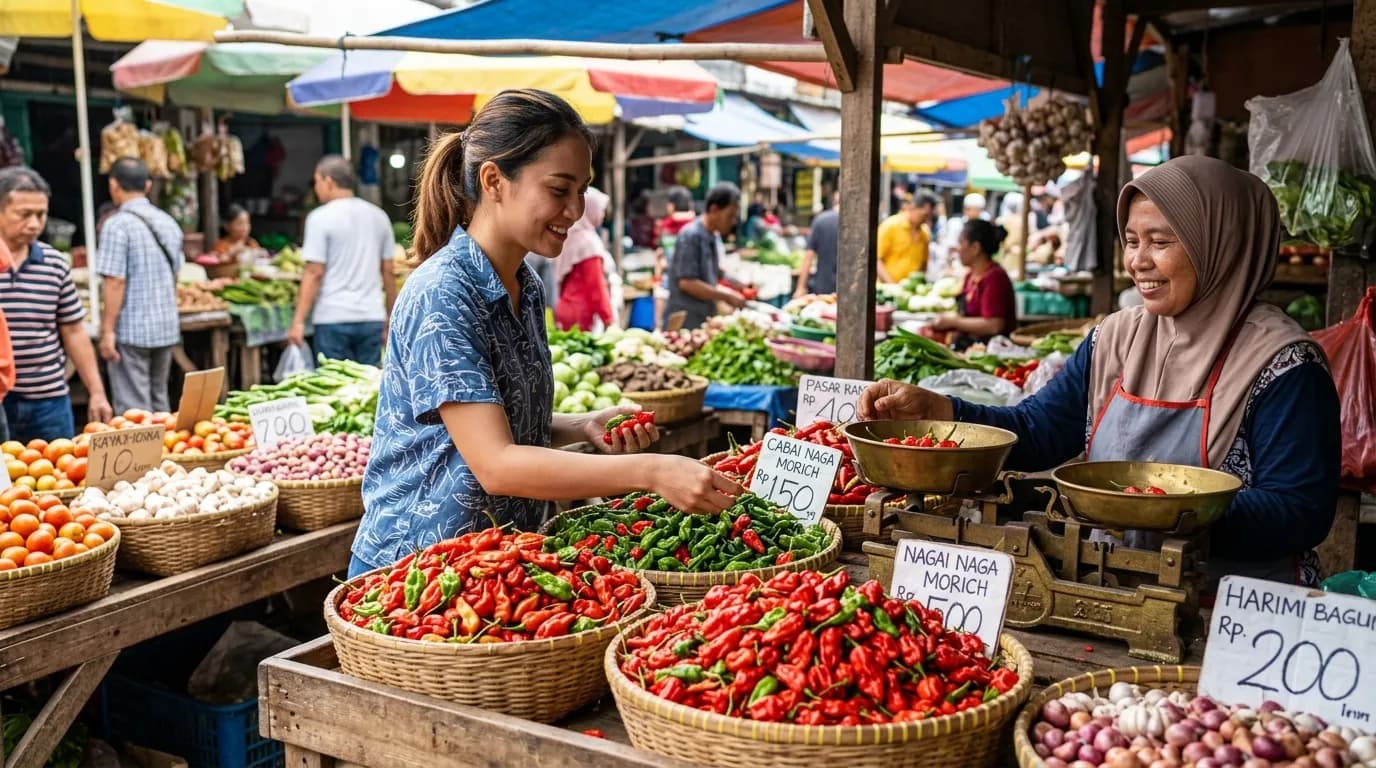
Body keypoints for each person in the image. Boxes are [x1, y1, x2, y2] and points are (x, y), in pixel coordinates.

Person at [860, 156, 1340, 587]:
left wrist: (1149, 508)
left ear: (1223, 244)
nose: (1138, 262)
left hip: (1238, 615)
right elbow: (1037, 429)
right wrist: (941, 412)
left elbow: (1297, 512)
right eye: (1131, 241)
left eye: (1161, 242)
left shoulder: (1285, 365)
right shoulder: (1115, 337)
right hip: (1119, 587)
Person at [350, 89, 742, 577]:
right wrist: (652, 471)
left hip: (495, 564)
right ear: (494, 181)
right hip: (414, 572)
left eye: (581, 190)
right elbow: (495, 463)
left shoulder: (526, 284)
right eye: (559, 190)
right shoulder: (443, 292)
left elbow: (495, 417)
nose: (575, 209)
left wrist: (581, 425)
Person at [0, 167, 112, 441]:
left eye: (41, 214)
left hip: (48, 401)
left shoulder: (54, 264)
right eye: (24, 214)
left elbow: (73, 331)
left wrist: (96, 392)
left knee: (58, 477)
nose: (35, 224)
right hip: (2, 401)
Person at [288, 155, 398, 366]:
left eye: (317, 181)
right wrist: (391, 316)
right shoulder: (379, 216)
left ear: (329, 182)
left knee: (333, 388)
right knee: (368, 389)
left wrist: (298, 321)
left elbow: (314, 272)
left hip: (332, 317)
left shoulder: (319, 218)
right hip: (370, 317)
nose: (316, 188)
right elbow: (388, 271)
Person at [96, 157, 184, 414]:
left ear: (113, 185)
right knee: (160, 403)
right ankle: (167, 452)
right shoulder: (168, 222)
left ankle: (143, 455)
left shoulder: (116, 225)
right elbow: (176, 274)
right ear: (147, 185)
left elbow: (114, 281)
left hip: (132, 329)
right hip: (166, 326)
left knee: (135, 411)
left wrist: (107, 331)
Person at [665, 182, 747, 330]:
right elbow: (687, 283)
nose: (732, 222)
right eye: (729, 216)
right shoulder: (691, 235)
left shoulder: (713, 236)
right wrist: (727, 296)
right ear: (714, 209)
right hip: (684, 320)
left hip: (703, 317)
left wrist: (739, 284)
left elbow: (714, 271)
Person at [928, 220, 1016, 348]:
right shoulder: (970, 275)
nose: (958, 249)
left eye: (961, 243)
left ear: (975, 248)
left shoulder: (995, 278)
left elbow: (994, 325)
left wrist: (954, 321)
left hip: (992, 351)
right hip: (969, 347)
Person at [554, 186, 615, 331]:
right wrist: (608, 319)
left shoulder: (568, 236)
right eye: (599, 209)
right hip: (580, 315)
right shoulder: (588, 242)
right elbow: (596, 286)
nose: (601, 215)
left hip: (564, 307)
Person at [876, 190, 937, 283]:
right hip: (886, 290)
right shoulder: (890, 226)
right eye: (924, 215)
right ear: (912, 208)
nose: (926, 220)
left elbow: (923, 265)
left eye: (929, 216)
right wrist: (892, 285)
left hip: (909, 291)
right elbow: (877, 260)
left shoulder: (925, 233)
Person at [795, 191, 839, 299]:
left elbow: (808, 257)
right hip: (850, 287)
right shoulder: (857, 223)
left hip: (823, 286)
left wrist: (800, 287)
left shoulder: (820, 220)